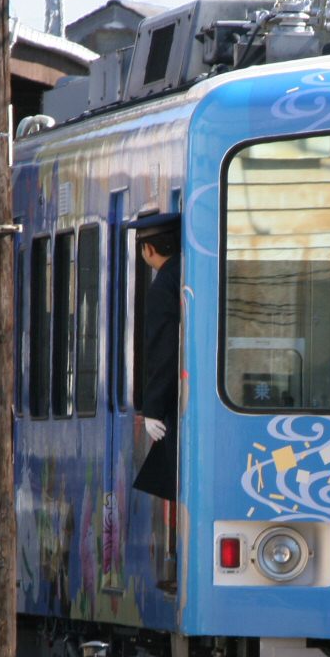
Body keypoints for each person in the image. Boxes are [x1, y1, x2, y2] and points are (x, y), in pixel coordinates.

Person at [132, 211, 181, 500]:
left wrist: (153, 408)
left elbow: (165, 349)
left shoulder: (164, 285)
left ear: (148, 250)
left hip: (176, 405)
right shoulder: (189, 272)